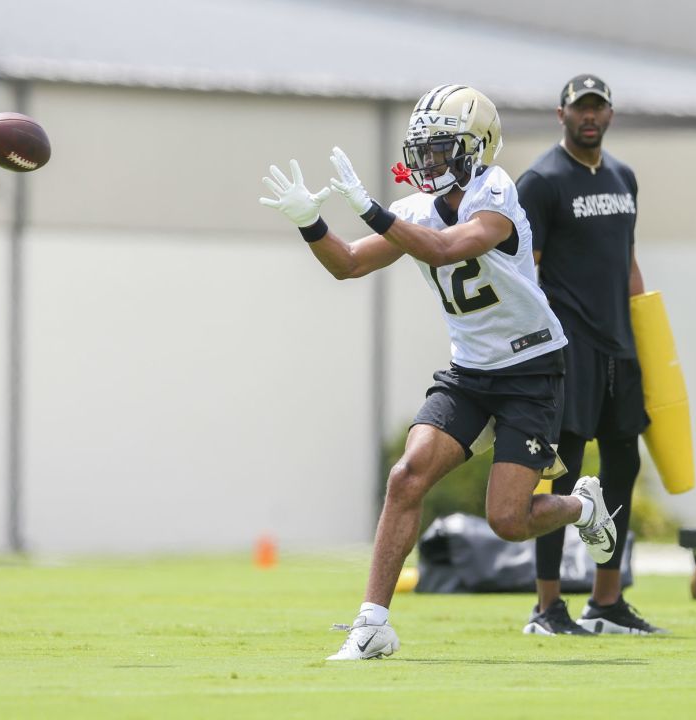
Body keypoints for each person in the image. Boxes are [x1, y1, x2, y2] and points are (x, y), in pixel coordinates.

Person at [258, 85, 619, 660]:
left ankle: (581, 507)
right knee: (407, 476)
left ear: (477, 148)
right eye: (422, 150)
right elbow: (349, 265)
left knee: (506, 519)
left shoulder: (496, 190)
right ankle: (373, 625)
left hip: (530, 366)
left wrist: (372, 209)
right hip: (471, 371)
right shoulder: (414, 210)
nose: (428, 163)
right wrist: (311, 223)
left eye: (441, 150)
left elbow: (448, 248)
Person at [515, 74, 667, 636]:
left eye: (598, 107)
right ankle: (546, 607)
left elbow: (628, 261)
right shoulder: (541, 180)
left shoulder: (624, 177)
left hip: (619, 345)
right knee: (565, 470)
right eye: (580, 107)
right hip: (567, 348)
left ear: (610, 114)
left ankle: (606, 602)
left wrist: (646, 334)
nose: (590, 116)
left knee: (623, 463)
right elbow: (520, 269)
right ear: (561, 115)